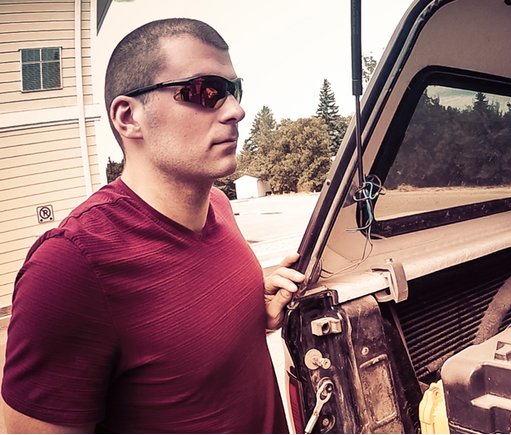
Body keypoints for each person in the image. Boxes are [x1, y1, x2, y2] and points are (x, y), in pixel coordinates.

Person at [2, 18, 302, 433]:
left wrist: (254, 315)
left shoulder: (218, 207)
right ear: (129, 117)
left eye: (234, 90)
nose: (236, 110)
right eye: (205, 91)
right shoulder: (71, 266)